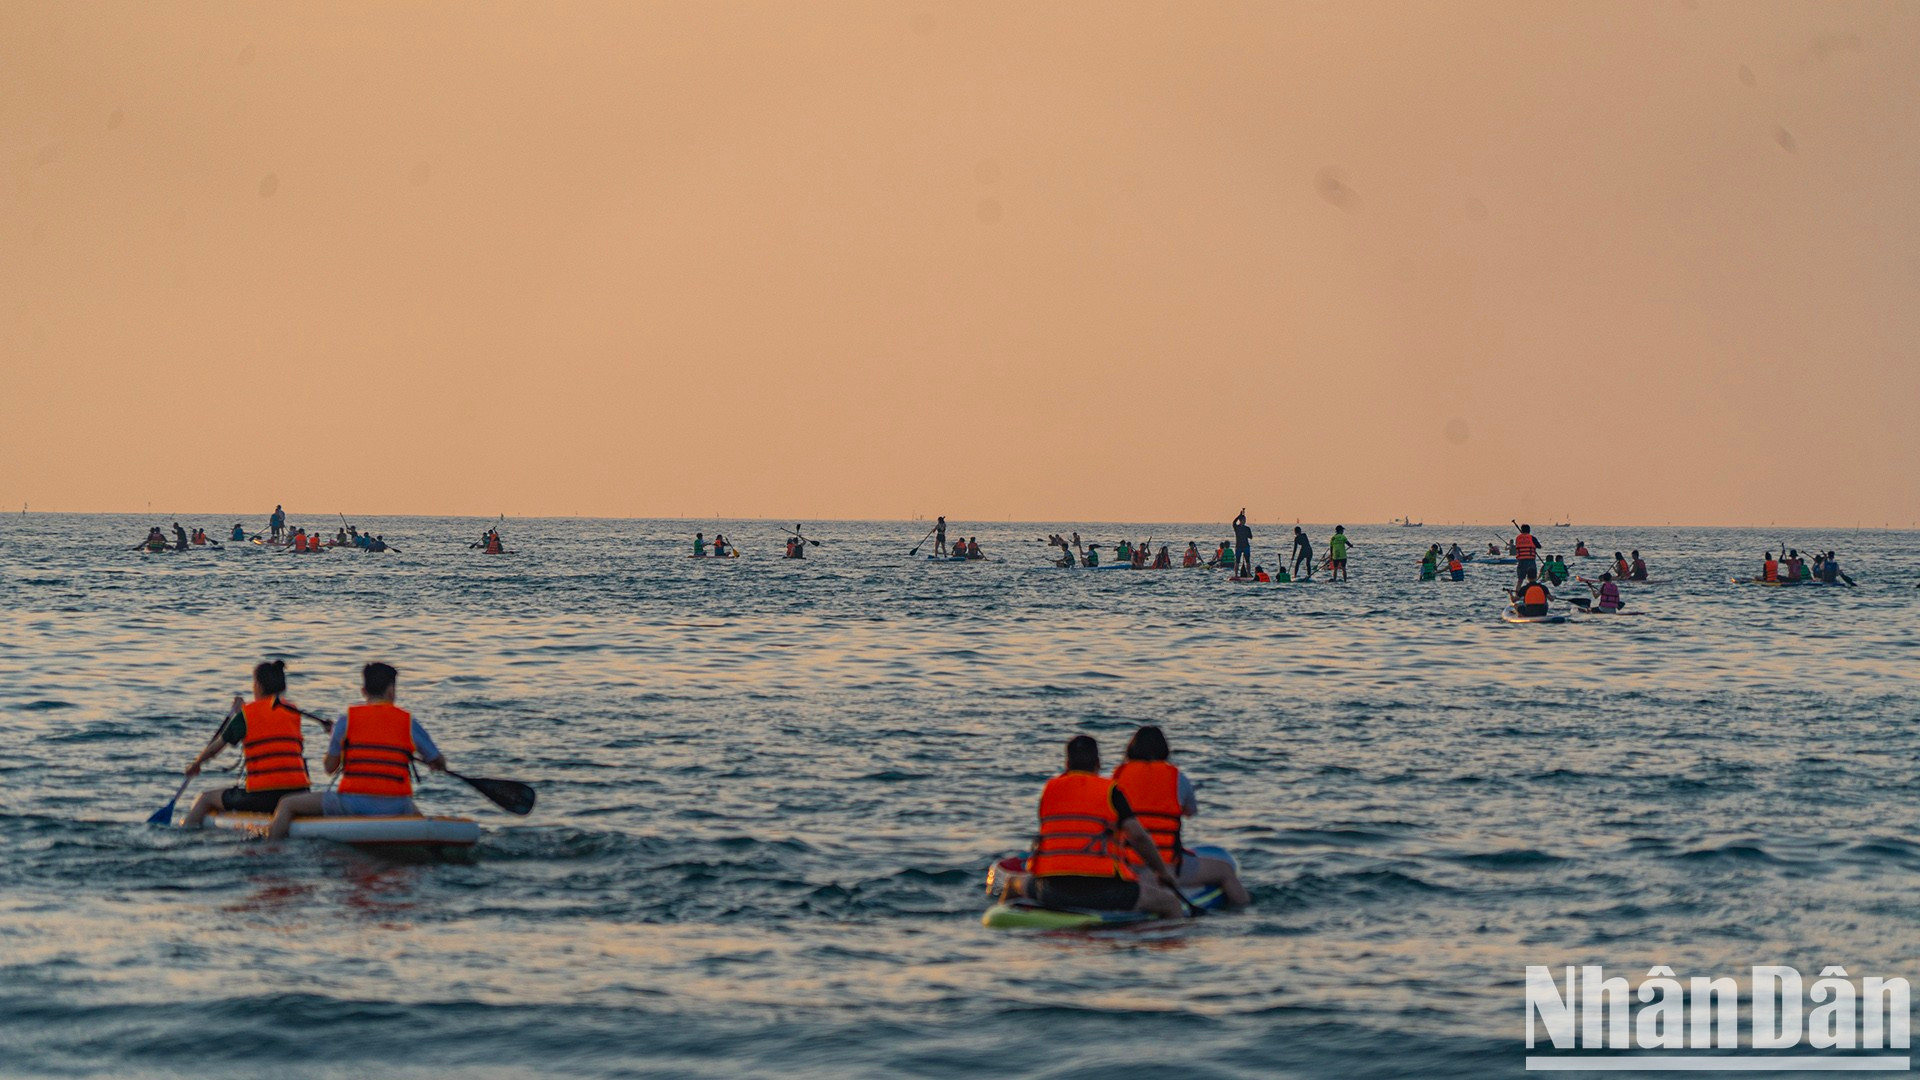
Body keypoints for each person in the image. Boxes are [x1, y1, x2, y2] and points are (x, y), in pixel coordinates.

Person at [268, 663, 448, 839]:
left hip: (352, 804)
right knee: (418, 815)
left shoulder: (346, 722)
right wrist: (435, 764)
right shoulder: (409, 722)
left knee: (287, 803)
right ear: (392, 691)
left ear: (363, 691)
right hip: (397, 805)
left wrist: (336, 738)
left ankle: (271, 850)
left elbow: (330, 768)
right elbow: (438, 760)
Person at [1013, 735, 1186, 918]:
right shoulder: (1111, 791)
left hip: (1051, 890)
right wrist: (1162, 871)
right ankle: (1168, 940)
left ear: (1067, 763)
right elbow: (1138, 836)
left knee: (1013, 883)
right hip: (1104, 892)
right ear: (1098, 763)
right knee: (1171, 903)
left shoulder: (1050, 789)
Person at [1109, 726, 1250, 905]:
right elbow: (1190, 812)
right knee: (1226, 871)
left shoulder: (1116, 778)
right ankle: (1248, 914)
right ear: (1164, 750)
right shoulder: (1177, 778)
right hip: (1166, 868)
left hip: (1124, 867)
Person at [181, 661, 315, 827]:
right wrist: (243, 712)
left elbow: (215, 748)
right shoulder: (293, 711)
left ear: (257, 685)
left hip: (263, 797)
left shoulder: (246, 715)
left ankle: (182, 835)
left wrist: (196, 764)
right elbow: (268, 720)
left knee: (205, 798)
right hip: (298, 793)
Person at [1232, 510, 1253, 578]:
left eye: (1245, 520)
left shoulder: (1247, 528)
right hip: (1238, 546)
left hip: (1246, 546)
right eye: (1243, 520)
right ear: (1240, 520)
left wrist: (1246, 534)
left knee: (1248, 560)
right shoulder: (1236, 527)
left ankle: (1248, 573)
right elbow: (1233, 522)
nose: (1245, 521)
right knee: (1237, 561)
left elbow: (1251, 536)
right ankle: (1236, 575)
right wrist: (1239, 515)